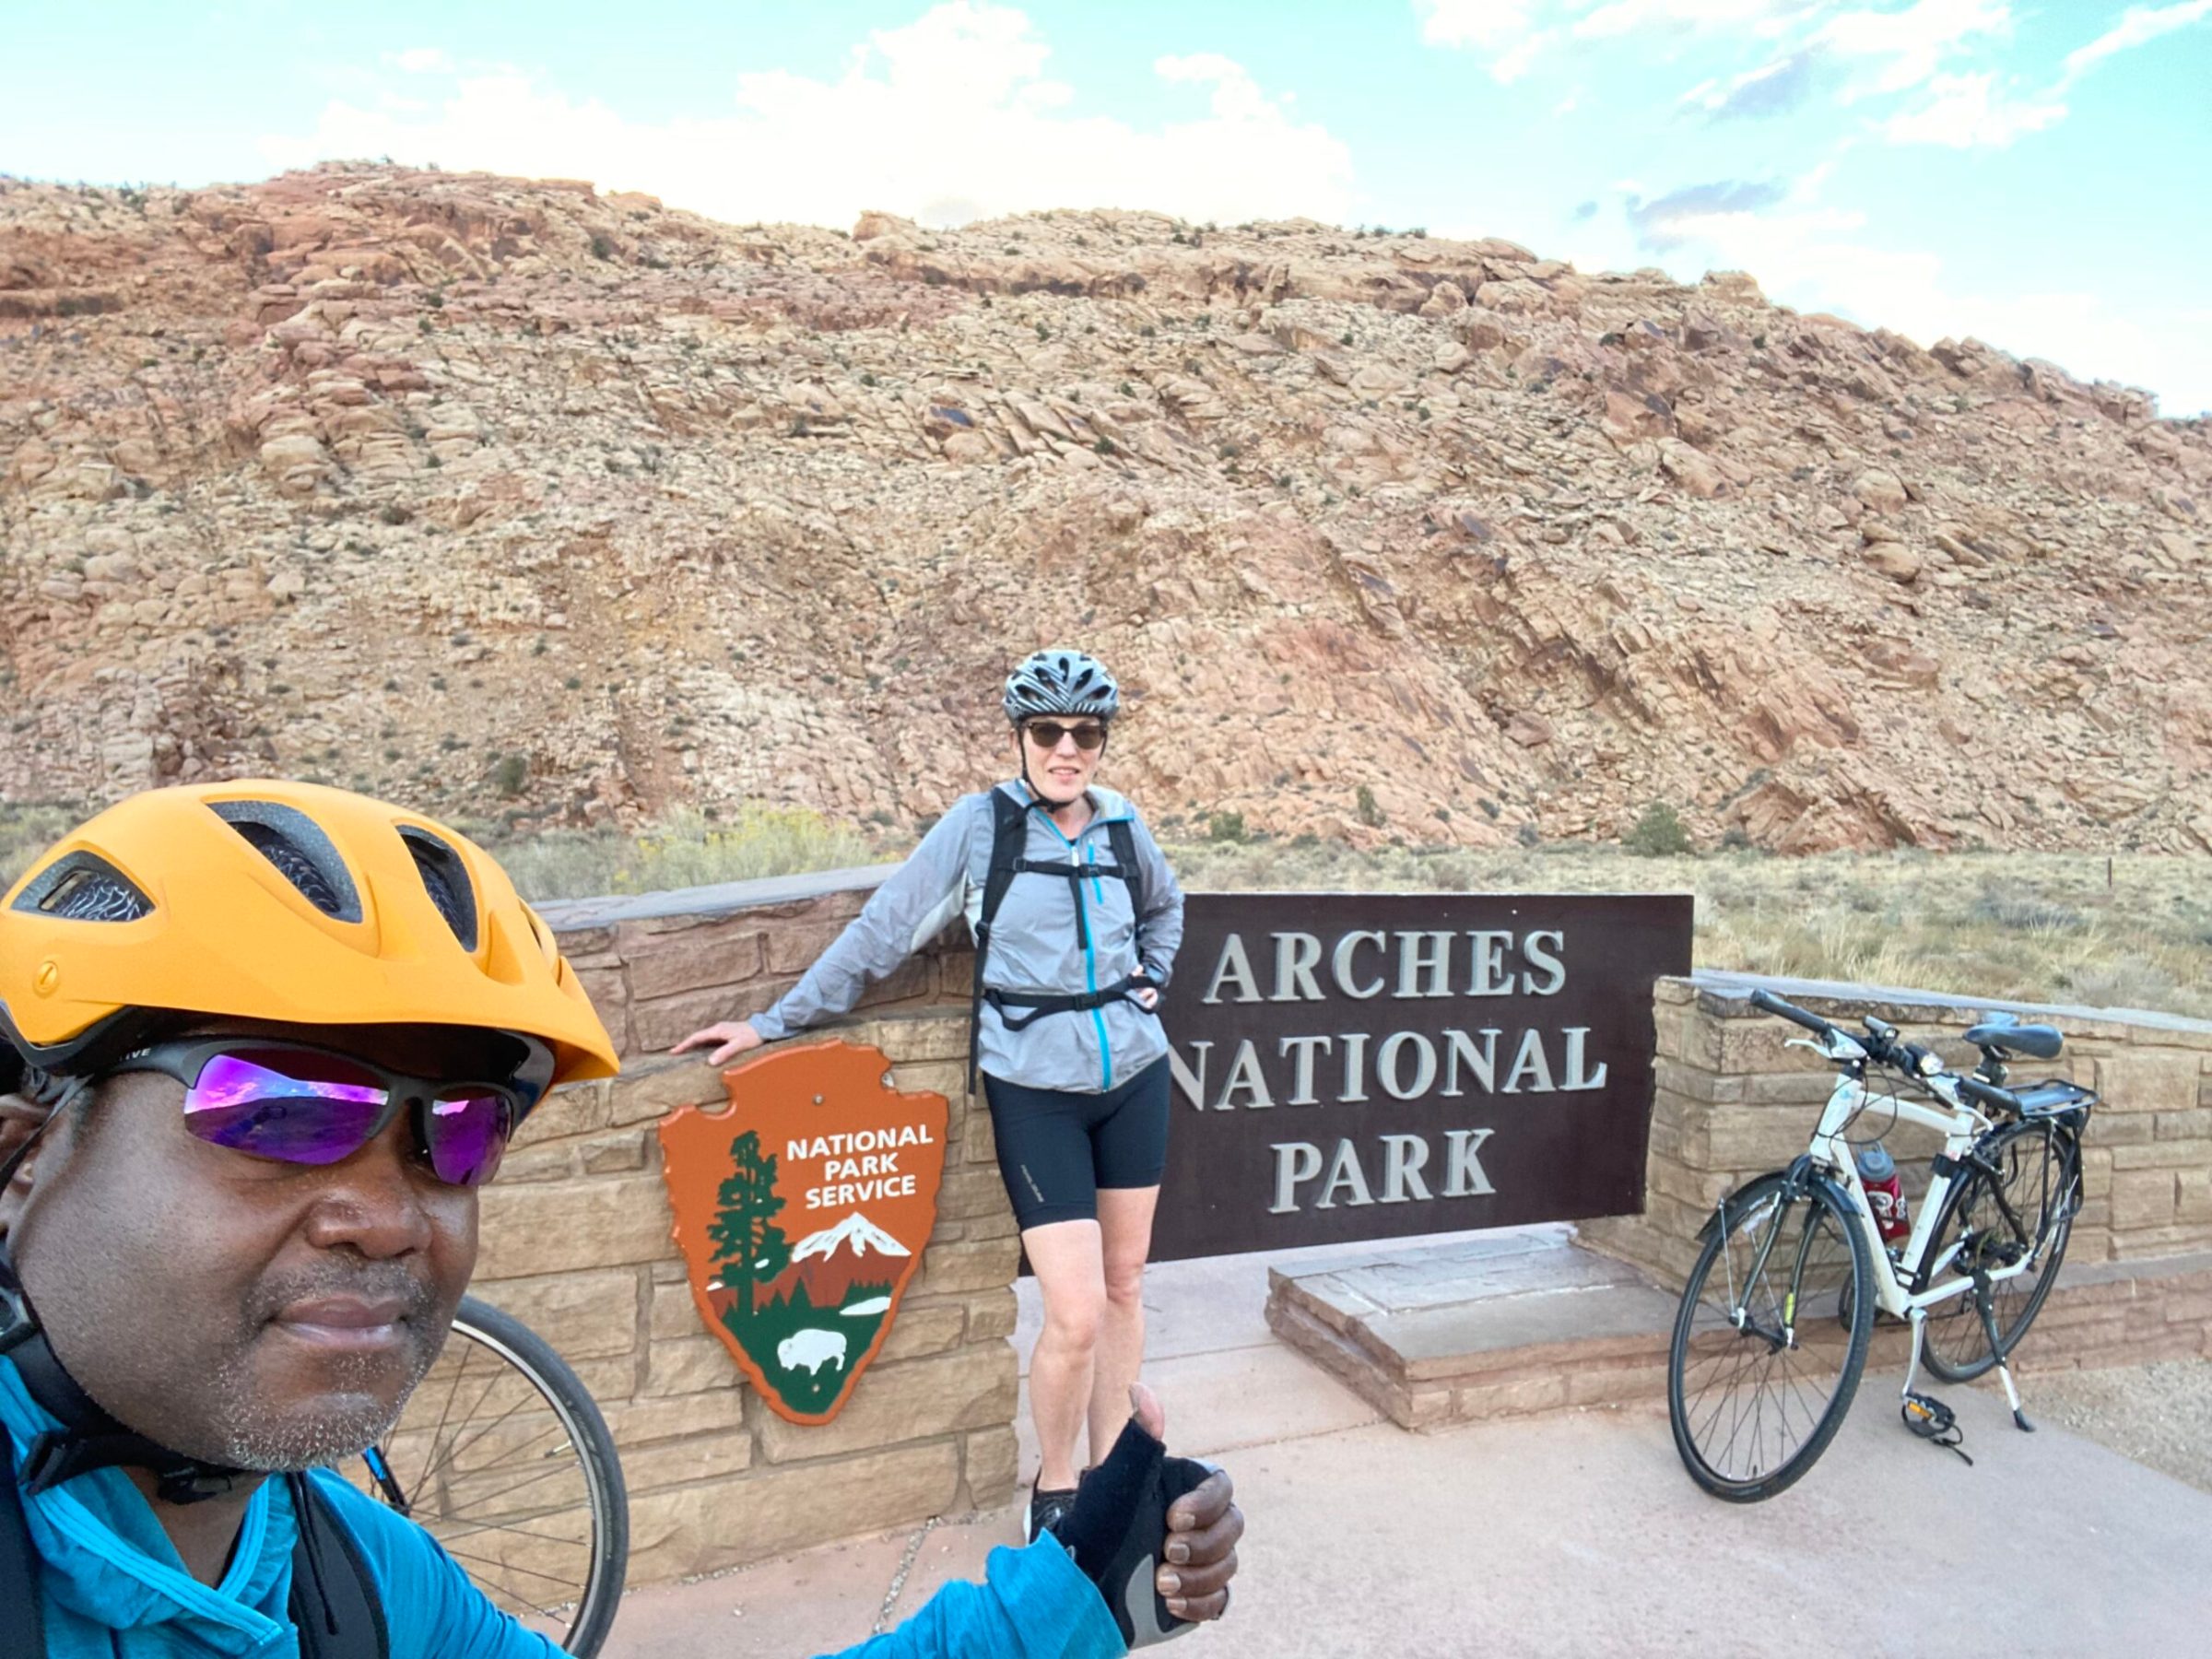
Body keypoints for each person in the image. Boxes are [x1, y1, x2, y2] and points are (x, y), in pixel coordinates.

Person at [0, 781, 1239, 1656]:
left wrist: (1069, 1598)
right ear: (23, 1152)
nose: (386, 1215)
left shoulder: (354, 1583)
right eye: (278, 1111)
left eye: (461, 1129)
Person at [677, 649, 1186, 1544]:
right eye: (1048, 732)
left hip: (1135, 1077)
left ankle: (1118, 1482)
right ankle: (1059, 1493)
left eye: (1085, 733)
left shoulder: (1120, 826)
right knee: (1071, 1311)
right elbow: (885, 930)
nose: (1067, 750)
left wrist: (1153, 977)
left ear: (1102, 742)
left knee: (1124, 1283)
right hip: (1035, 1090)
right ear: (1021, 737)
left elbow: (1165, 907)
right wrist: (774, 1020)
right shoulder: (980, 828)